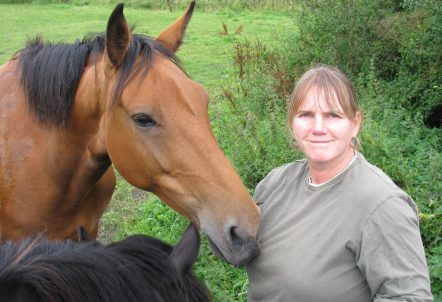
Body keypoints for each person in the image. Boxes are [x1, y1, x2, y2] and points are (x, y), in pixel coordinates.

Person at [245, 64, 433, 302]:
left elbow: (409, 297)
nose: (318, 128)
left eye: (333, 115)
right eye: (306, 115)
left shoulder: (382, 205)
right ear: (292, 121)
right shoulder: (274, 184)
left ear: (355, 123)